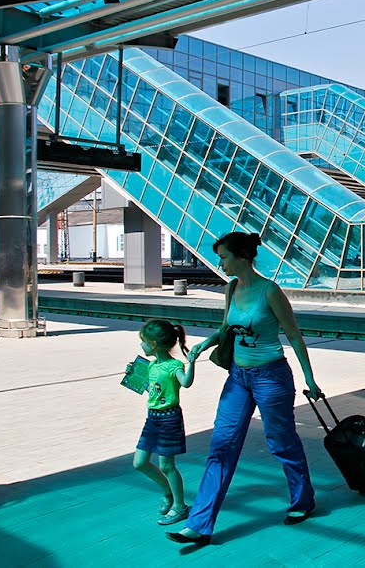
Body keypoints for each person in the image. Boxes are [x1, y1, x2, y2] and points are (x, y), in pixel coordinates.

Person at [167, 232, 324, 546]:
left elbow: (293, 335)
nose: (220, 263)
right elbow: (227, 327)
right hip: (238, 377)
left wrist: (309, 378)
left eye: (223, 257)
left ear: (241, 257)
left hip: (272, 378)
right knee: (221, 444)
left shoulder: (270, 291)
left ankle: (303, 499)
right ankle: (199, 525)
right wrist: (203, 345)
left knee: (281, 441)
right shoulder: (231, 288)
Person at [132, 319, 196, 526]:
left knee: (167, 465)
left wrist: (192, 362)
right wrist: (133, 375)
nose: (141, 345)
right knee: (140, 463)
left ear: (154, 344)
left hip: (169, 419)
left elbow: (186, 383)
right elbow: (151, 389)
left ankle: (180, 506)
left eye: (143, 342)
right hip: (152, 418)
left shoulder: (173, 366)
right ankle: (167, 490)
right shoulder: (151, 365)